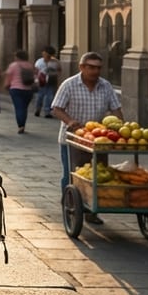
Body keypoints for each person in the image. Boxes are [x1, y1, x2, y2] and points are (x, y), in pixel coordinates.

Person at [51, 51, 123, 225]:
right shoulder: (69, 85)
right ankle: (70, 205)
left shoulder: (105, 86)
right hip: (72, 138)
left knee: (97, 175)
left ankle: (92, 210)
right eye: (91, 67)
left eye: (98, 68)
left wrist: (122, 128)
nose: (95, 71)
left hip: (98, 140)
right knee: (72, 173)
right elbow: (56, 108)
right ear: (81, 67)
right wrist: (70, 121)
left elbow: (116, 110)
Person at [4, 49, 37, 134]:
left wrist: (6, 85)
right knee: (24, 108)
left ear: (17, 57)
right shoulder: (30, 65)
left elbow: (8, 76)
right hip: (28, 90)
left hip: (16, 89)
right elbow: (36, 75)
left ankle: (20, 126)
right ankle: (23, 125)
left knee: (19, 107)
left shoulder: (13, 65)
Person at [33, 46, 61, 117]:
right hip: (41, 81)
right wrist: (36, 80)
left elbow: (59, 70)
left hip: (51, 81)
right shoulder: (39, 62)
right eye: (46, 54)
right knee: (40, 96)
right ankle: (38, 109)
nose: (47, 56)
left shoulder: (55, 62)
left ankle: (47, 111)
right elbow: (36, 71)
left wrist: (55, 75)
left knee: (50, 96)